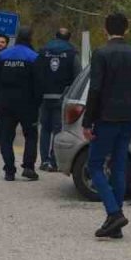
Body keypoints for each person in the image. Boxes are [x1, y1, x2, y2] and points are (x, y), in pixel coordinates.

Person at [83, 12, 131, 239]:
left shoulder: (101, 54)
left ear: (105, 29)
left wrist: (87, 120)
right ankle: (115, 224)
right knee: (119, 166)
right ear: (127, 29)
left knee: (95, 165)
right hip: (129, 118)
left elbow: (96, 89)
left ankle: (114, 212)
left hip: (106, 118)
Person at [0, 28, 42, 181]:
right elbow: (38, 83)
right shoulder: (34, 57)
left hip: (6, 102)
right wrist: (38, 103)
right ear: (30, 39)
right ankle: (28, 167)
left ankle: (9, 170)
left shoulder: (2, 55)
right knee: (31, 135)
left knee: (6, 137)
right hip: (27, 104)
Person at [35, 27, 78, 172]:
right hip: (62, 98)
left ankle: (43, 161)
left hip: (44, 97)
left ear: (55, 36)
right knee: (58, 130)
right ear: (69, 38)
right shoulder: (72, 53)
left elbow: (36, 72)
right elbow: (77, 77)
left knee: (45, 129)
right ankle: (54, 162)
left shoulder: (42, 51)